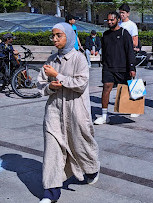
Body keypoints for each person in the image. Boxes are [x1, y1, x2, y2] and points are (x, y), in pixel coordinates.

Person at [37, 22, 100, 203]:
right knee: (52, 149)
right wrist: (50, 86)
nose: (55, 39)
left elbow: (81, 84)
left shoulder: (79, 58)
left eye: (59, 35)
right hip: (54, 111)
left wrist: (58, 77)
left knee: (81, 146)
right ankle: (51, 191)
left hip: (76, 111)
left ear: (69, 37)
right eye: (53, 36)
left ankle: (91, 169)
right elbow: (40, 85)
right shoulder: (51, 60)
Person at [94, 11, 136, 125]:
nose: (109, 22)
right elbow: (104, 50)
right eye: (108, 20)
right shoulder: (106, 34)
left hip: (122, 67)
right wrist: (103, 63)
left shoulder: (124, 33)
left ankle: (134, 107)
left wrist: (132, 67)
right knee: (106, 88)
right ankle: (104, 116)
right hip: (108, 67)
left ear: (117, 20)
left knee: (128, 89)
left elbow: (130, 51)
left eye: (112, 20)